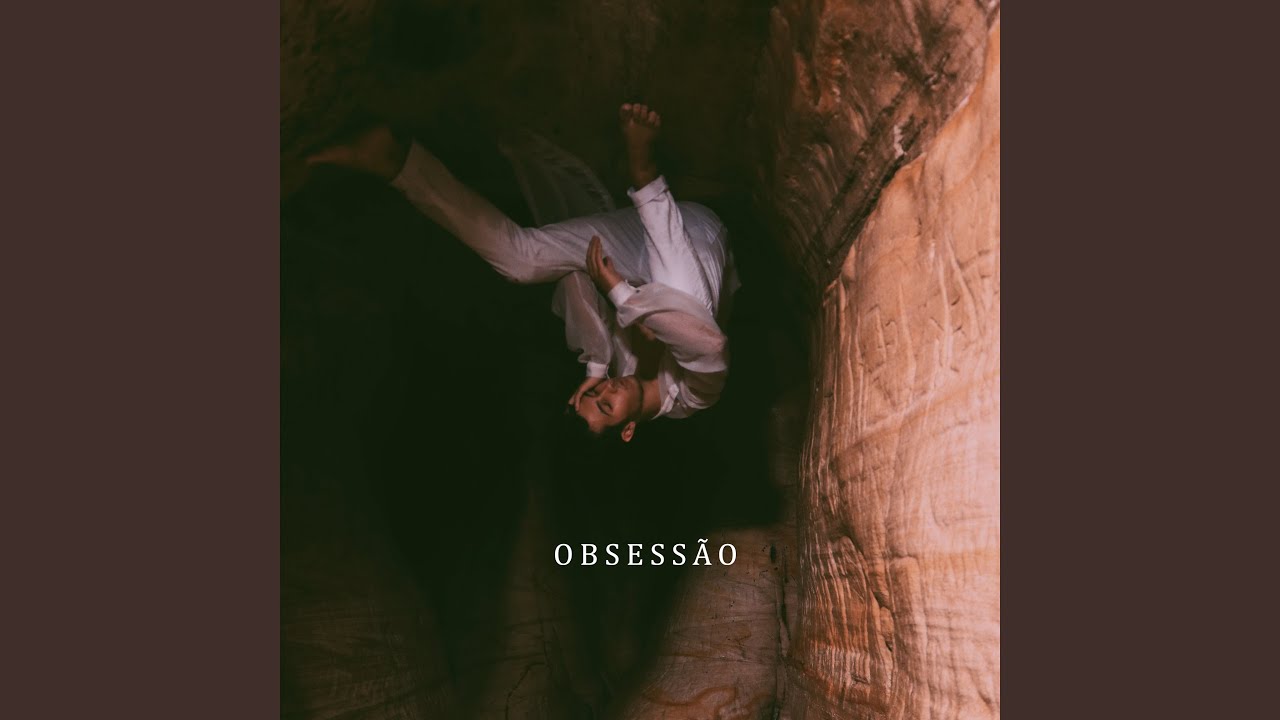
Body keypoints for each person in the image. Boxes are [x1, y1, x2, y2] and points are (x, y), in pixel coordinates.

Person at [307, 104, 739, 442]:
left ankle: (394, 162)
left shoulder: (612, 367)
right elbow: (710, 344)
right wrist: (621, 295)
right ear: (629, 430)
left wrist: (595, 362)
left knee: (520, 262)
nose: (608, 391)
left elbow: (573, 277)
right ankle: (643, 170)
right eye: (607, 406)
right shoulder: (693, 397)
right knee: (688, 301)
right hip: (701, 237)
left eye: (595, 394)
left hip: (638, 247)